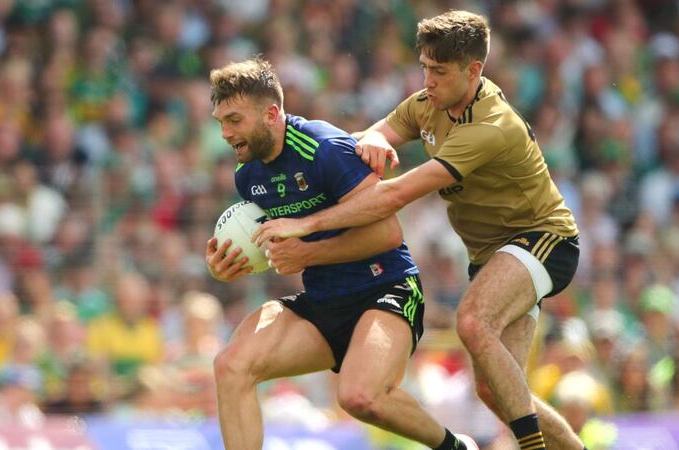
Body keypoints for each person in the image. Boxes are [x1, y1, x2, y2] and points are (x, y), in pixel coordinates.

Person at [253, 10, 586, 450]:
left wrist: (306, 224)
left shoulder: (492, 126)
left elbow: (394, 196)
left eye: (439, 71)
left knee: (471, 321)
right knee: (496, 391)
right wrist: (372, 137)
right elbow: (368, 140)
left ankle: (531, 447)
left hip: (544, 239)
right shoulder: (428, 104)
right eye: (424, 67)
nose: (427, 81)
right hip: (493, 257)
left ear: (474, 70)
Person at [205, 57, 477, 450]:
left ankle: (454, 447)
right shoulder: (247, 175)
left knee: (358, 397)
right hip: (324, 301)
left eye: (234, 120)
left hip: (386, 287)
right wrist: (231, 266)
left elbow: (387, 233)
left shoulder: (325, 147)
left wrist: (307, 253)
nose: (226, 133)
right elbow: (278, 248)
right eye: (220, 122)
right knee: (230, 365)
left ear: (271, 113)